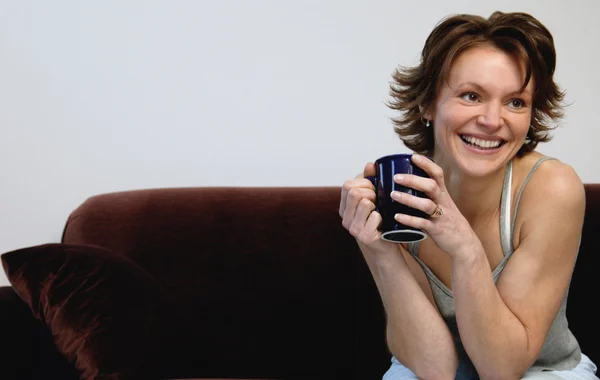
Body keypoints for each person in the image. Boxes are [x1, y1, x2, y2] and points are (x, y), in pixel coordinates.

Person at [339, 11, 598, 380]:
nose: (493, 121)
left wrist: (464, 247)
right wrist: (380, 250)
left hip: (539, 371)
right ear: (427, 103)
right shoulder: (396, 195)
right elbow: (434, 368)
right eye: (471, 95)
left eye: (516, 102)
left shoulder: (552, 188)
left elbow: (502, 368)